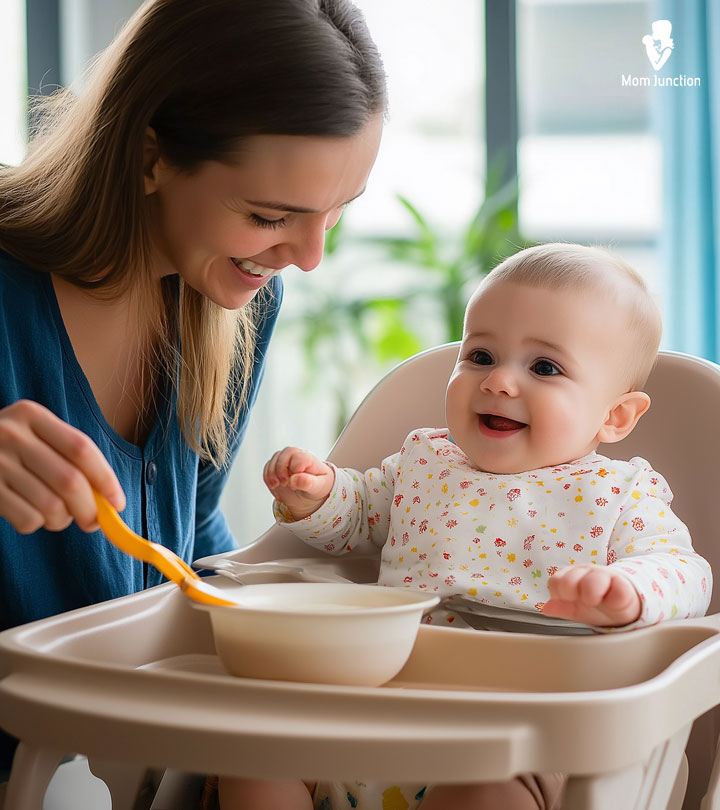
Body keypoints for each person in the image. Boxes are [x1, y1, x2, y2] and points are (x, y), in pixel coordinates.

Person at [0, 0, 386, 785]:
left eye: (336, 215)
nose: (308, 258)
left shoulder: (240, 306)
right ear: (152, 156)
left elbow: (191, 532)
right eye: (270, 215)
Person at [248, 243, 712, 810]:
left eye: (544, 367)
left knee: (487, 793)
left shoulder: (618, 494)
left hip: (525, 738)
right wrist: (317, 495)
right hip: (377, 712)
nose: (499, 383)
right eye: (481, 356)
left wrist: (631, 591)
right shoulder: (424, 461)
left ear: (614, 416)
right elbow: (360, 518)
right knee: (253, 761)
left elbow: (685, 570)